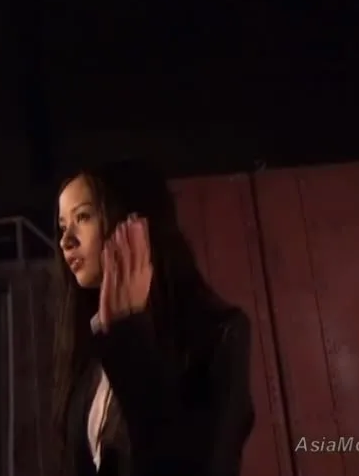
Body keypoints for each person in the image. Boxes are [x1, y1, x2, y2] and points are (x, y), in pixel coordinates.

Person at [51, 161, 254, 476]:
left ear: (133, 223)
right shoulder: (91, 348)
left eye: (83, 217)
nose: (66, 241)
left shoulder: (218, 335)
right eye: (63, 226)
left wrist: (128, 336)